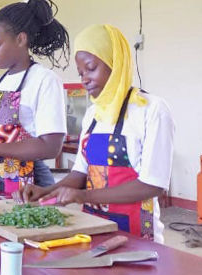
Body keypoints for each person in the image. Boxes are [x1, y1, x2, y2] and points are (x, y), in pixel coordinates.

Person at [16, 24, 175, 243]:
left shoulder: (151, 109)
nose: (84, 79)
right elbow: (79, 174)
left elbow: (152, 185)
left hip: (137, 235)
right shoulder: (93, 113)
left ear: (115, 63)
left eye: (91, 68)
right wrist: (46, 191)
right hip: (93, 229)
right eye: (81, 73)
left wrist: (84, 196)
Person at [0, 0, 69, 195]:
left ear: (21, 39)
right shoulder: (3, 81)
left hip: (30, 184)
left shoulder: (44, 80)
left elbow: (51, 147)